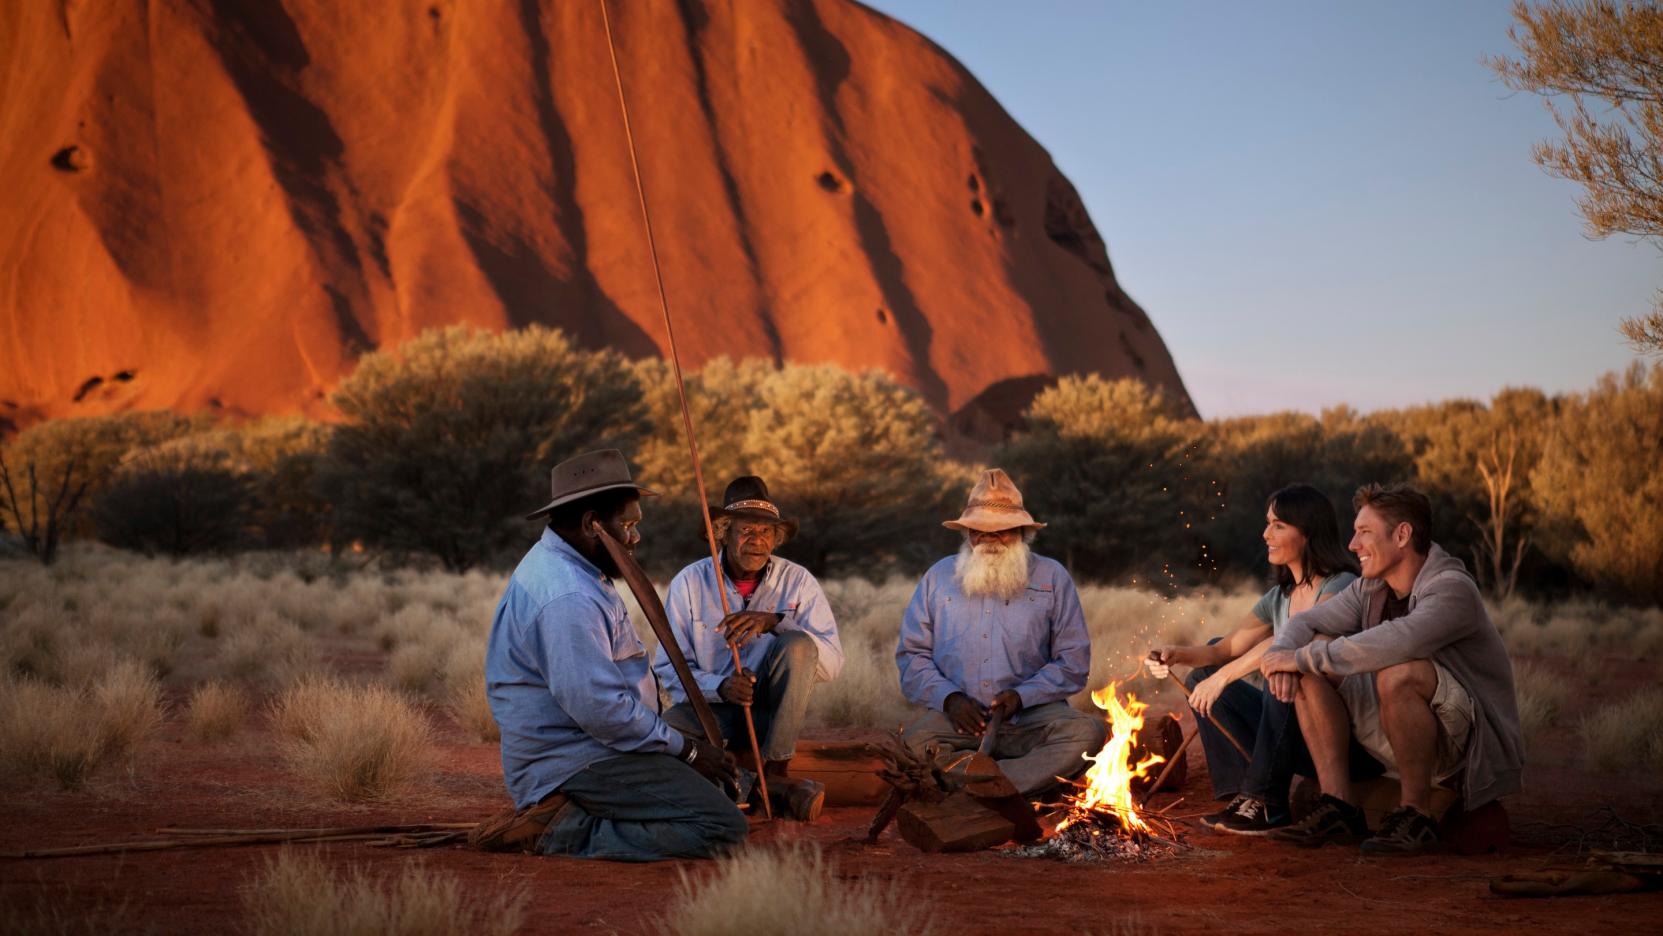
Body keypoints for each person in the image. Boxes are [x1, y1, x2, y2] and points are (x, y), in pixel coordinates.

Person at [476, 449, 747, 861]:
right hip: (572, 760)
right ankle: (562, 830)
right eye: (629, 525)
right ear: (591, 524)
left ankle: (590, 812)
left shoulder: (574, 566)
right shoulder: (567, 596)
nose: (635, 537)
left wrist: (678, 751)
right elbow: (602, 711)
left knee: (714, 784)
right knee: (722, 827)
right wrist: (686, 751)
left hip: (599, 745)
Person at [1260, 483, 1523, 856]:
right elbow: (1308, 621)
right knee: (1312, 664)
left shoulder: (1451, 589)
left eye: (1364, 532)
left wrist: (1299, 657)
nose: (1353, 545)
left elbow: (1397, 641)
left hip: (1464, 749)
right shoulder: (1370, 587)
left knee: (1397, 671)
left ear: (1402, 534)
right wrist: (1284, 658)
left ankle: (1418, 814)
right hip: (1398, 726)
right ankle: (1339, 807)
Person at [1146, 484, 1359, 834]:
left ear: (1307, 532)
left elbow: (1294, 641)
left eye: (1278, 525)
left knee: (1283, 670)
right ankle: (1242, 794)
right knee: (1203, 675)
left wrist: (1224, 678)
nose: (1266, 534)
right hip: (1289, 733)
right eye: (1267, 523)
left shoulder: (1341, 585)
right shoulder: (1279, 596)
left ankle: (1267, 801)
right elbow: (1225, 648)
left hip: (1333, 736)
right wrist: (1175, 655)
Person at [895, 468, 1106, 796]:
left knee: (1087, 733)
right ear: (967, 534)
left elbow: (1073, 662)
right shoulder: (937, 578)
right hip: (958, 721)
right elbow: (912, 657)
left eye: (1002, 531)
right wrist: (949, 699)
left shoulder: (1053, 577)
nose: (989, 539)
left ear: (1023, 532)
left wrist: (1022, 697)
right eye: (979, 530)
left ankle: (981, 786)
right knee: (912, 742)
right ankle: (1011, 785)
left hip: (1032, 719)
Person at [656, 476, 844, 822]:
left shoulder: (798, 581)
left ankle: (776, 769)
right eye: (745, 530)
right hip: (715, 713)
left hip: (774, 717)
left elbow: (831, 665)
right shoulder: (689, 583)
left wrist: (777, 622)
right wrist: (721, 687)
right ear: (723, 532)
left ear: (776, 537)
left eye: (766, 531)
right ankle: (767, 789)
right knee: (664, 735)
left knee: (800, 645)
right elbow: (670, 670)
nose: (756, 541)